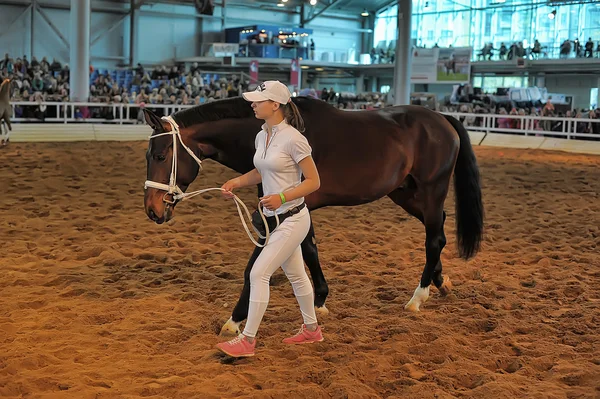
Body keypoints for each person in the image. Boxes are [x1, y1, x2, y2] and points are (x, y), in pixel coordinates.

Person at [216, 80, 323, 358]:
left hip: (292, 218)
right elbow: (261, 171)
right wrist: (237, 182)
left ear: (275, 105)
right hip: (273, 218)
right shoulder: (262, 135)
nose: (252, 104)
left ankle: (247, 340)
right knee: (297, 275)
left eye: (258, 100)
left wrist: (283, 198)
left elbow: (313, 181)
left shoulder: (294, 139)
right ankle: (311, 329)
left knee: (258, 273)